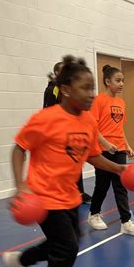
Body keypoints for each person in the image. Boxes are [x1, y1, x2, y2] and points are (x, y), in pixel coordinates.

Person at [2, 55, 128, 267]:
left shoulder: (87, 122)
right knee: (67, 249)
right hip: (43, 196)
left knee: (63, 244)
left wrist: (115, 168)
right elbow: (19, 148)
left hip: (69, 195)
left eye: (93, 87)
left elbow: (91, 154)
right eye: (85, 88)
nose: (91, 94)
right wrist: (20, 186)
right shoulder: (46, 119)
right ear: (67, 89)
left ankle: (20, 261)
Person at [87, 64, 134, 235]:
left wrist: (127, 146)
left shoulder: (121, 102)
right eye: (118, 80)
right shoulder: (98, 101)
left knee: (120, 185)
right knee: (102, 185)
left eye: (123, 81)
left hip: (118, 149)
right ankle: (94, 214)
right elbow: (92, 126)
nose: (121, 84)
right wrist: (105, 144)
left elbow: (119, 128)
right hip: (103, 151)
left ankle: (126, 222)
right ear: (107, 81)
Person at [43, 61, 92, 204]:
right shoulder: (53, 89)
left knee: (76, 160)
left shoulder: (71, 90)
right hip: (58, 133)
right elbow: (48, 111)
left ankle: (79, 192)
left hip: (71, 131)